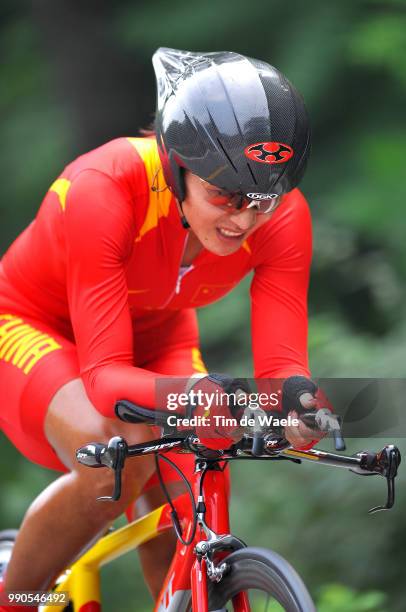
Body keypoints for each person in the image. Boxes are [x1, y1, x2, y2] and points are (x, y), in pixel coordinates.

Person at [0, 46, 324, 609]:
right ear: (177, 164)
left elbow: (282, 370)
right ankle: (15, 599)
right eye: (225, 194)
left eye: (263, 199)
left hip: (157, 338)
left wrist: (298, 402)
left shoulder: (285, 217)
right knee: (119, 457)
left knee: (195, 467)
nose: (245, 219)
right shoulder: (105, 185)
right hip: (36, 326)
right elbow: (104, 380)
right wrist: (201, 393)